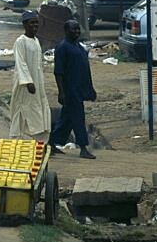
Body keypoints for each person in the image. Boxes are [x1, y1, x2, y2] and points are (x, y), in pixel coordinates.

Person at [48, 19, 97, 159]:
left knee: (66, 119)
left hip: (79, 89)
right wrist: (61, 92)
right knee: (78, 118)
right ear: (66, 31)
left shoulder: (78, 46)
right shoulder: (62, 47)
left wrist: (89, 90)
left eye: (77, 29)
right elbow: (58, 72)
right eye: (73, 29)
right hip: (70, 90)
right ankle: (83, 147)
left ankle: (51, 142)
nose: (76, 32)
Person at [8, 11, 52, 138]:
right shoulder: (20, 41)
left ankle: (40, 140)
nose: (35, 26)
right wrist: (28, 82)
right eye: (32, 23)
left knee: (37, 109)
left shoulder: (36, 41)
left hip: (37, 82)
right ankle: (17, 138)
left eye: (37, 23)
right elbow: (21, 63)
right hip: (25, 85)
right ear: (25, 24)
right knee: (23, 110)